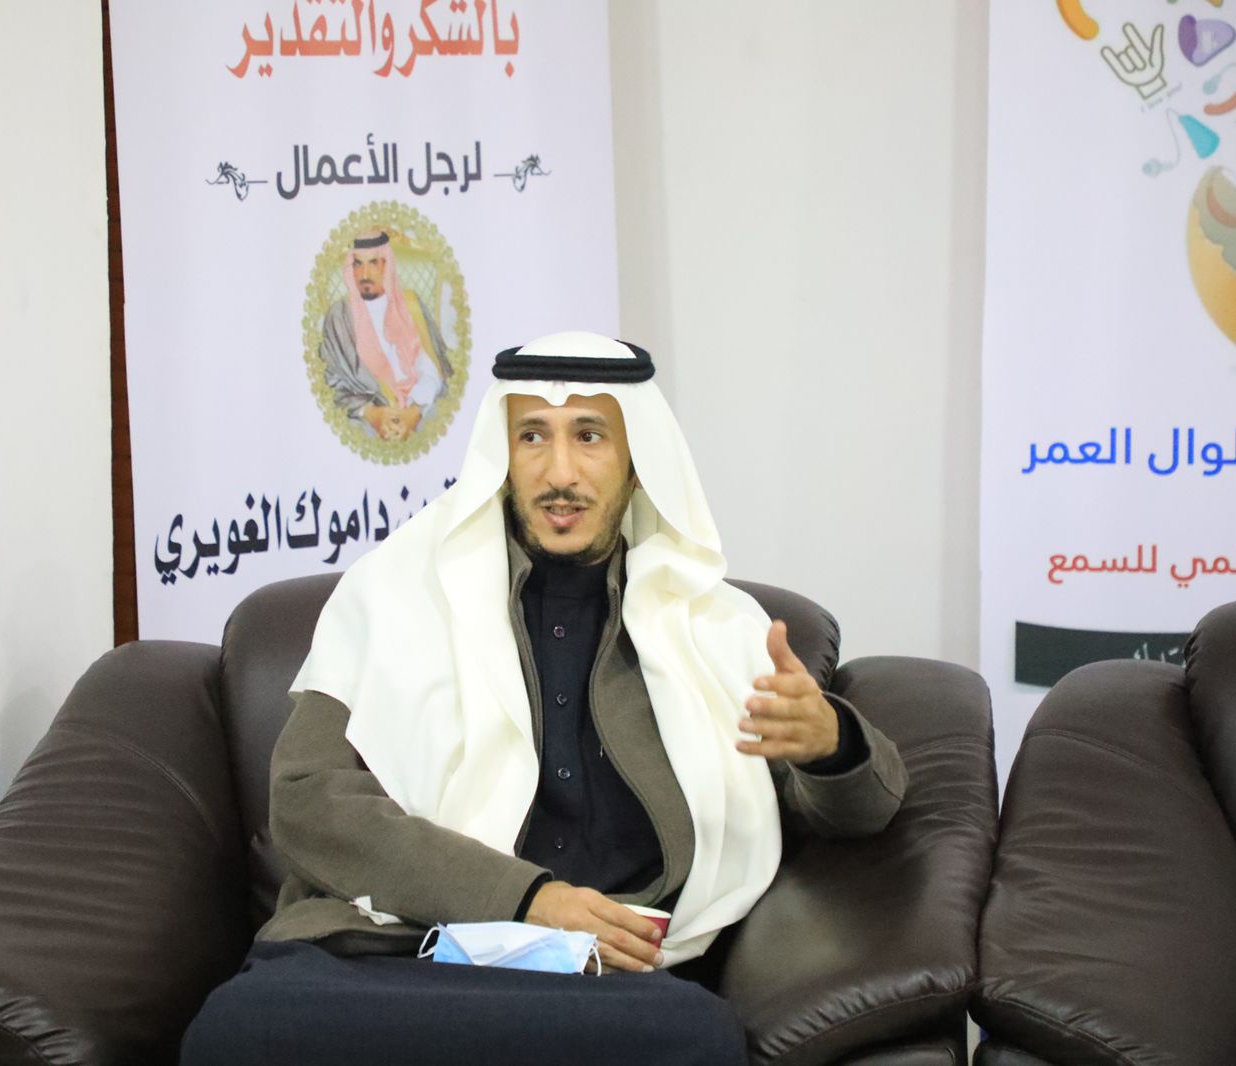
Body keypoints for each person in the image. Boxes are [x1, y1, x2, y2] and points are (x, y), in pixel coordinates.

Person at [182, 332, 907, 1065]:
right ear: (501, 456)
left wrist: (830, 745)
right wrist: (525, 900)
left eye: (589, 436)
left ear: (638, 462)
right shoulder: (396, 596)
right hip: (392, 956)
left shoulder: (715, 630)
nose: (560, 473)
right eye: (532, 436)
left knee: (694, 1039)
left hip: (598, 989)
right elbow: (309, 800)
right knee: (239, 1029)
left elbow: (862, 812)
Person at [319, 230, 454, 441]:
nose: (364, 274)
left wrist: (415, 411)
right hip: (365, 413)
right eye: (358, 264)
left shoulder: (410, 305)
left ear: (386, 265)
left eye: (373, 263)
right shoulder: (339, 316)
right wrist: (371, 413)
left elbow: (431, 367)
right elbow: (330, 379)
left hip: (420, 403)